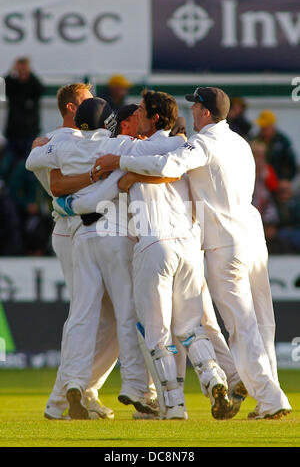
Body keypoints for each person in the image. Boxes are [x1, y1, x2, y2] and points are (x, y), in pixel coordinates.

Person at [96, 86, 292, 420]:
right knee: (262, 322)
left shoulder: (204, 143)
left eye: (195, 107)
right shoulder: (240, 142)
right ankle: (267, 393)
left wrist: (121, 160)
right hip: (251, 235)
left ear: (204, 112)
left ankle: (271, 398)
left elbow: (170, 165)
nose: (191, 113)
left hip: (223, 242)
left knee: (241, 324)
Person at [26, 84, 118, 420]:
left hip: (97, 229)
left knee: (114, 318)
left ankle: (81, 390)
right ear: (70, 107)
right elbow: (57, 186)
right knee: (86, 313)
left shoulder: (87, 138)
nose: (94, 103)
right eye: (86, 99)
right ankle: (62, 398)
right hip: (71, 229)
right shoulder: (53, 142)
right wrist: (97, 173)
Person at [4, 57, 44, 168]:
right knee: (9, 164)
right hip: (13, 132)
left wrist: (29, 73)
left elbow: (40, 88)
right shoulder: (13, 85)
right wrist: (13, 71)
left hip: (30, 132)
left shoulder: (33, 86)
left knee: (29, 164)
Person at [254, 110, 298, 181]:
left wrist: (286, 180)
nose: (262, 129)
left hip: (279, 180)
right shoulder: (256, 139)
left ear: (272, 126)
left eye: (265, 127)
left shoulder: (283, 141)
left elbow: (291, 164)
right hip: (259, 179)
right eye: (261, 127)